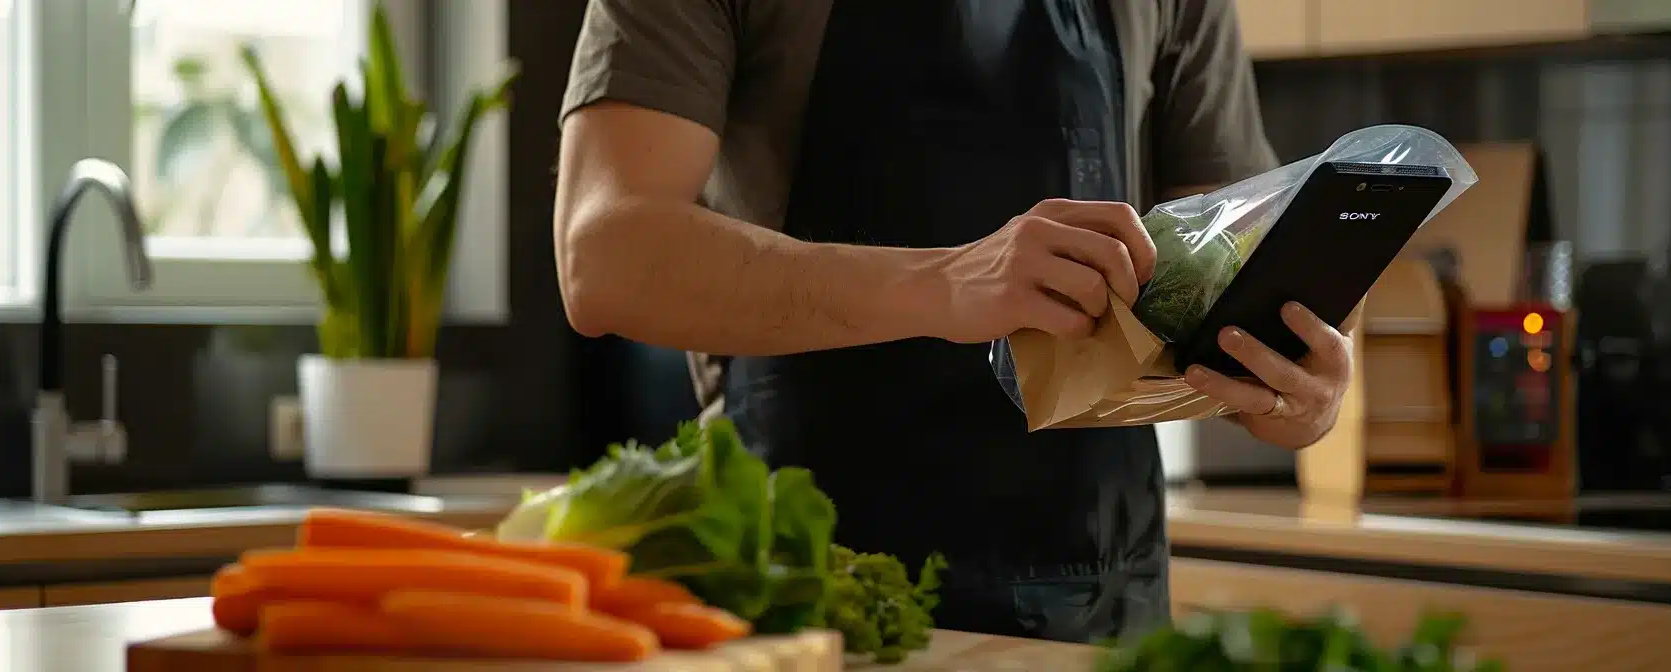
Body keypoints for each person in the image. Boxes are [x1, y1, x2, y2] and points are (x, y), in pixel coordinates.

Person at [553, 0, 1355, 643]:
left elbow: (1234, 272)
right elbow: (606, 255)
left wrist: (1293, 389)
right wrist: (947, 282)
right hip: (809, 598)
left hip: (1100, 607)